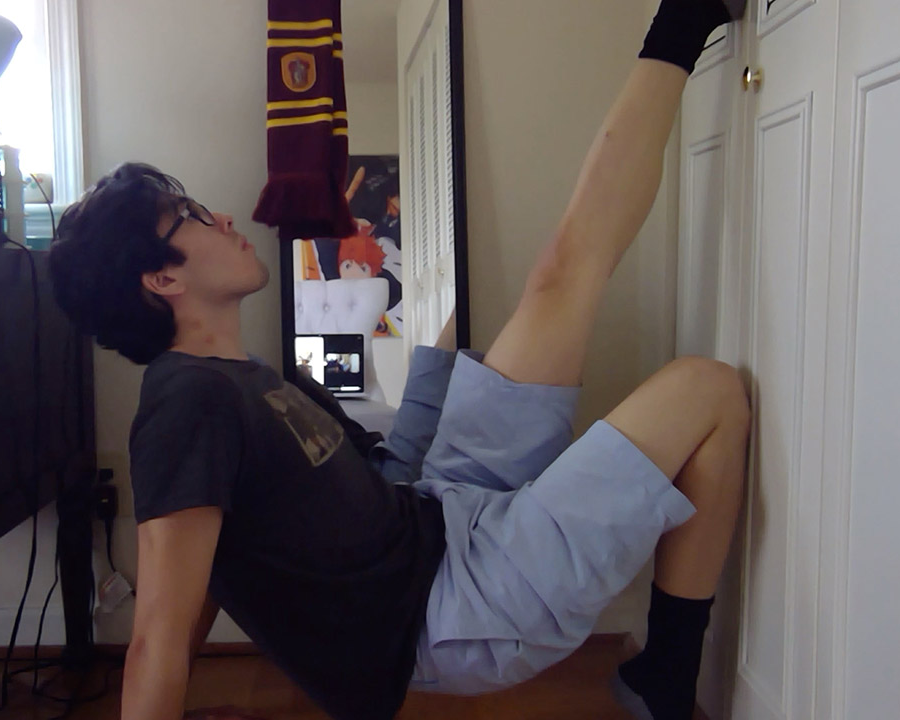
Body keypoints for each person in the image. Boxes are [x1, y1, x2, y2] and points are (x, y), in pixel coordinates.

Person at [48, 1, 748, 718]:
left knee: (559, 278)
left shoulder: (249, 380)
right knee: (709, 392)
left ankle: (684, 20)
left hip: (438, 508)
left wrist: (433, 370)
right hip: (454, 605)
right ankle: (666, 676)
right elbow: (161, 634)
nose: (220, 216)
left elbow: (374, 477)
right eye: (190, 215)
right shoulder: (183, 405)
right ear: (161, 279)